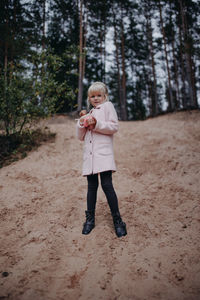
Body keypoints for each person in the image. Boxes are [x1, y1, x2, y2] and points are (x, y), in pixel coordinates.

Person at [76, 82, 127, 238]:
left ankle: (118, 221)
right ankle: (90, 220)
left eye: (99, 95)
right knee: (92, 187)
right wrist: (81, 123)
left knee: (107, 186)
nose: (96, 98)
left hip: (103, 155)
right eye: (93, 96)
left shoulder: (107, 107)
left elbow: (114, 127)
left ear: (105, 96)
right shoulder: (89, 112)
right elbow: (80, 137)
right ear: (89, 98)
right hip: (90, 157)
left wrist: (97, 124)